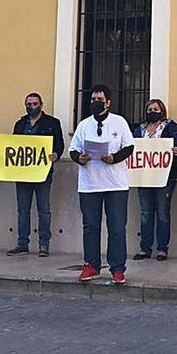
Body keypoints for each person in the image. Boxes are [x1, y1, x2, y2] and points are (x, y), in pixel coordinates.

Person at [69, 84, 135, 284]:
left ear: (108, 102)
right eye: (93, 100)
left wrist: (114, 158)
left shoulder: (119, 122)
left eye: (99, 100)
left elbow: (129, 147)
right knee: (90, 226)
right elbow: (74, 149)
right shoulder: (84, 125)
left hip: (115, 184)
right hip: (90, 184)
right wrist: (79, 158)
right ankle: (91, 264)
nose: (95, 103)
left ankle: (117, 268)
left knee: (116, 227)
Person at [132, 99, 177, 261]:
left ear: (162, 111)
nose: (153, 111)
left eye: (156, 109)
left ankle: (162, 249)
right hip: (143, 176)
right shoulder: (140, 129)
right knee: (145, 213)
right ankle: (145, 248)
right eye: (150, 109)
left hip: (165, 176)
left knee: (162, 212)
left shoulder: (170, 126)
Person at [8, 93, 65, 258]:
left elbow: (59, 144)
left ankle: (44, 244)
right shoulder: (19, 124)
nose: (31, 106)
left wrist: (56, 155)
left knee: (44, 210)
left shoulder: (52, 123)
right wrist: (3, 156)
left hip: (43, 173)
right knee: (23, 210)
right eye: (28, 103)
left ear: (41, 104)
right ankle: (22, 244)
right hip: (22, 173)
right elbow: (12, 145)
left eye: (34, 103)